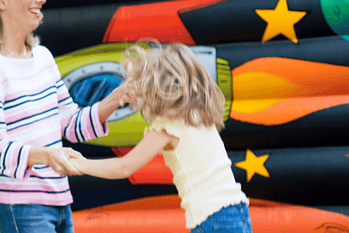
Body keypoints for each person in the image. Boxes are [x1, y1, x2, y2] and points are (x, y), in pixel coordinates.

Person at [0, 0, 128, 233]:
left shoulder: (43, 56)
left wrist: (117, 97)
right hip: (20, 208)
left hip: (60, 202)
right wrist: (47, 156)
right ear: (0, 0)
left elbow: (71, 125)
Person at [70, 42, 252, 232]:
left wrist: (81, 164)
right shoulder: (197, 115)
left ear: (154, 91)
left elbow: (124, 167)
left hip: (213, 218)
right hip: (236, 210)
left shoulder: (166, 129)